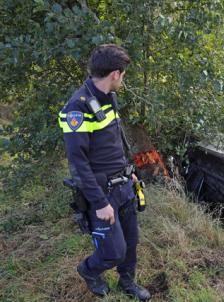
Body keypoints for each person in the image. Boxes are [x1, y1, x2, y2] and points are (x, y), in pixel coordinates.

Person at [58, 44, 151, 301]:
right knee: (113, 251)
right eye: (123, 74)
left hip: (123, 185)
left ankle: (127, 282)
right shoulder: (77, 109)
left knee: (130, 244)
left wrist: (128, 171)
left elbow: (113, 142)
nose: (123, 79)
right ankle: (88, 270)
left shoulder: (108, 97)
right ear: (115, 74)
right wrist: (99, 203)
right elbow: (78, 164)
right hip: (102, 193)